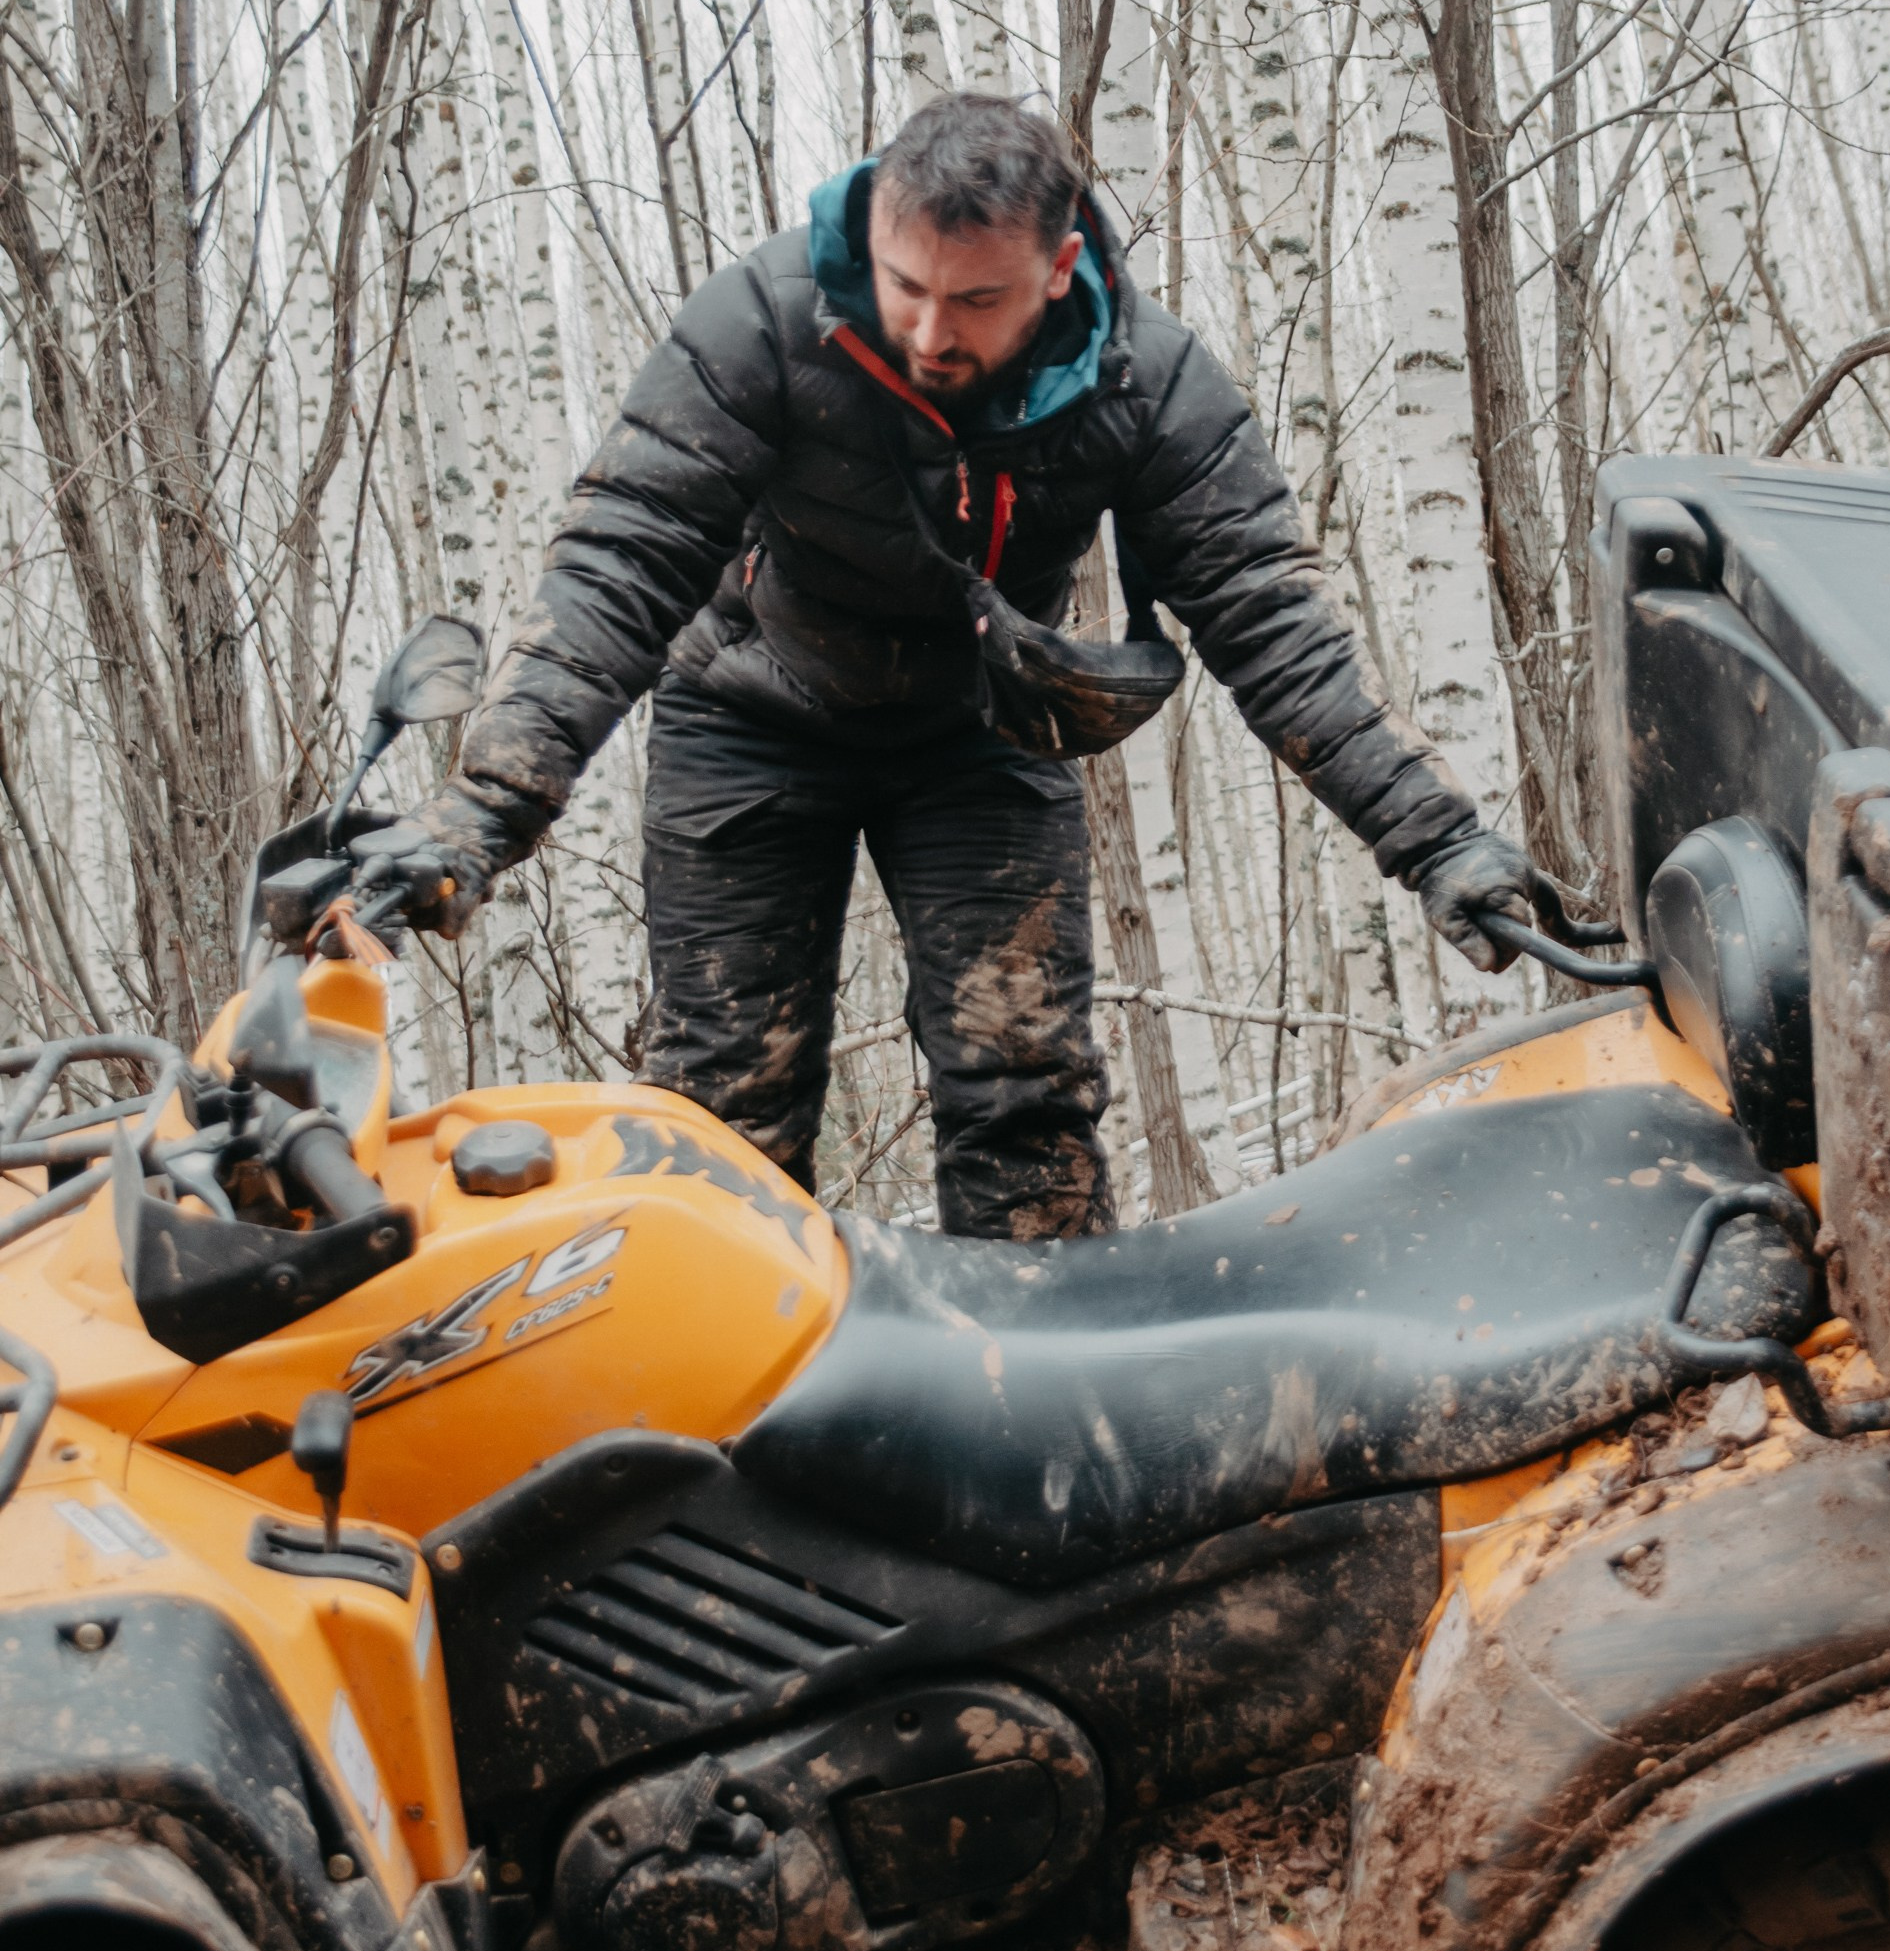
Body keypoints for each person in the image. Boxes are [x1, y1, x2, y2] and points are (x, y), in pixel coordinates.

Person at [357, 96, 1561, 1238]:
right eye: (906, 287)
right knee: (721, 1116)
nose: (932, 332)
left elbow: (1268, 619)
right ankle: (735, 1439)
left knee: (1023, 1094)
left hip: (981, 732)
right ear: (871, 233)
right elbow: (622, 563)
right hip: (748, 715)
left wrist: (1438, 839)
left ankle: (1038, 1420)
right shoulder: (760, 323)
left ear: (1056, 267)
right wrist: (482, 813)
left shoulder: (1151, 381)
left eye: (976, 299)